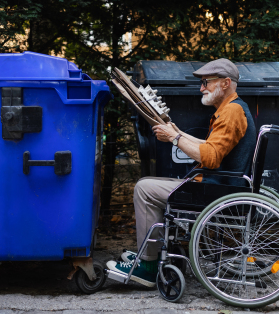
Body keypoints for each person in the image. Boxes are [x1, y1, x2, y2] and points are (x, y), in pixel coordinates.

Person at [106, 58, 257, 287]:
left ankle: (147, 266)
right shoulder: (232, 109)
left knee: (144, 189)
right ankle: (153, 255)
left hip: (216, 190)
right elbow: (209, 146)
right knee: (148, 182)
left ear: (225, 83)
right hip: (220, 185)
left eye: (206, 82)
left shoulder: (231, 112)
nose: (201, 88)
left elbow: (211, 157)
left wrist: (174, 138)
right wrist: (177, 132)